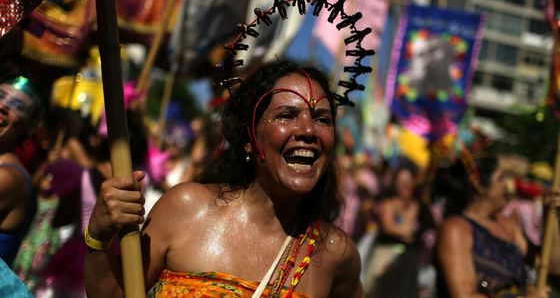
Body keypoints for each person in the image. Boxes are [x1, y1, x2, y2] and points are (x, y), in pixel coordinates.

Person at [84, 59, 362, 297]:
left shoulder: (336, 254)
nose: (308, 131)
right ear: (249, 139)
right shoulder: (185, 209)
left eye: (322, 119)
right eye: (287, 115)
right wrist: (99, 236)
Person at [434, 153, 560, 298]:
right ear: (480, 186)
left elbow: (553, 266)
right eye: (500, 179)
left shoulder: (508, 226)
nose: (507, 185)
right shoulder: (456, 229)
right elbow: (464, 295)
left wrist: (551, 215)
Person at [363, 159, 432, 298]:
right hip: (387, 255)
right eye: (401, 182)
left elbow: (426, 228)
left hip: (410, 261)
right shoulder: (388, 203)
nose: (404, 186)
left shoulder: (419, 205)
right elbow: (388, 227)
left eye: (407, 182)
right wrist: (408, 232)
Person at [0, 75, 44, 267]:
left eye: (18, 106)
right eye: (0, 95)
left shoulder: (8, 177)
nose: (3, 106)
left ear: (27, 127)